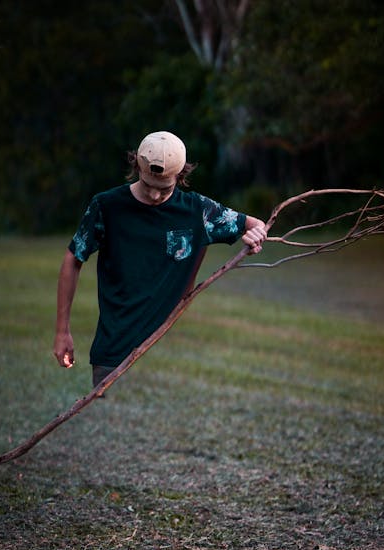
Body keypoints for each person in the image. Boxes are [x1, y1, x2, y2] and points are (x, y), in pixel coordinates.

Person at [53, 131, 266, 386]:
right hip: (115, 343)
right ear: (137, 167)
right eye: (148, 185)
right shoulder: (107, 207)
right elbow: (73, 258)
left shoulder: (198, 211)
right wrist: (62, 331)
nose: (154, 196)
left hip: (171, 339)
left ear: (180, 175)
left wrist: (257, 234)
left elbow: (254, 224)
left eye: (164, 188)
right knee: (107, 412)